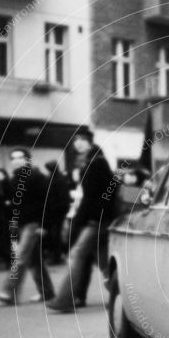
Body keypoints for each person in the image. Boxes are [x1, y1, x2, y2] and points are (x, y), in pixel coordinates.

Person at [47, 126, 116, 313]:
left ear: (90, 142)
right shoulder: (90, 163)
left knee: (77, 254)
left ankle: (64, 299)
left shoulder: (97, 163)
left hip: (96, 220)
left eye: (82, 140)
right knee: (103, 261)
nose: (78, 144)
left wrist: (88, 218)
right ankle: (121, 295)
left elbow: (98, 196)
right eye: (75, 141)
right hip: (98, 219)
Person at [0, 147, 54, 305]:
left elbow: (45, 202)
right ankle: (47, 292)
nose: (16, 160)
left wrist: (44, 224)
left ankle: (8, 291)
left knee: (20, 257)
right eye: (13, 158)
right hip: (20, 222)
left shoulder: (36, 176)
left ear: (27, 159)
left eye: (20, 157)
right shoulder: (14, 178)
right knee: (34, 260)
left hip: (32, 223)